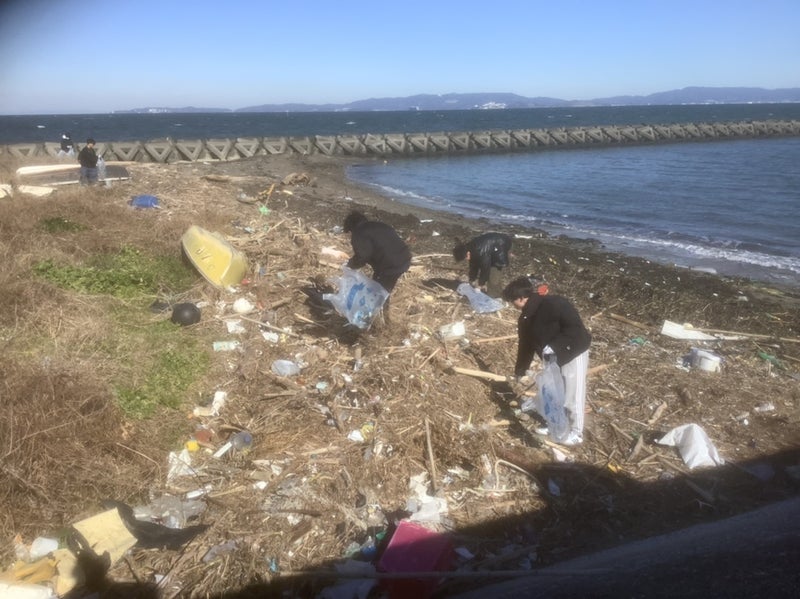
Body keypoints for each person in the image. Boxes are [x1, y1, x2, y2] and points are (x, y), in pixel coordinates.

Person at [502, 276, 591, 445]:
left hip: (574, 351)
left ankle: (576, 432)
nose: (512, 305)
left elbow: (575, 328)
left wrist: (555, 346)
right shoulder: (525, 318)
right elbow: (525, 345)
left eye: (512, 301)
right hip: (552, 358)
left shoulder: (555, 304)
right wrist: (520, 370)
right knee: (554, 392)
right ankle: (555, 424)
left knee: (573, 393)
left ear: (521, 298)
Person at [343, 210, 412, 321]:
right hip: (404, 258)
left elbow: (363, 256)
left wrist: (350, 265)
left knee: (377, 291)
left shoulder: (359, 233)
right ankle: (382, 318)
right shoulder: (378, 225)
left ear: (351, 226)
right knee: (383, 289)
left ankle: (377, 321)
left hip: (390, 265)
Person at [453, 232, 513, 297]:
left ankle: (495, 296)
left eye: (465, 258)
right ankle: (497, 292)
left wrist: (480, 285)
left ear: (467, 253)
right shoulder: (470, 249)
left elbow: (485, 269)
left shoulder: (481, 252)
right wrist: (472, 279)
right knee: (489, 273)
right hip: (491, 247)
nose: (466, 259)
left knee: (493, 276)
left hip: (502, 245)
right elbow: (473, 266)